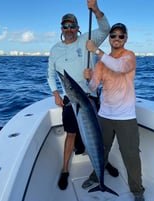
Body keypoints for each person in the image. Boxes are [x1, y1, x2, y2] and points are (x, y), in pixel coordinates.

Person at [47, 0, 118, 191]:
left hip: (91, 95)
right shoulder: (55, 50)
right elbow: (51, 73)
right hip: (72, 99)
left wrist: (95, 9)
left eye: (72, 26)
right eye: (65, 26)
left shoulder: (87, 38)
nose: (68, 29)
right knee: (71, 134)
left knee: (98, 134)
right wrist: (55, 93)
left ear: (77, 27)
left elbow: (105, 29)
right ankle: (64, 170)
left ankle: (104, 162)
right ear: (61, 28)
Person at [83, 23, 145, 201]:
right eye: (113, 35)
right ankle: (96, 176)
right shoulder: (102, 63)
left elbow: (119, 67)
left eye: (120, 36)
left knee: (131, 155)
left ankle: (137, 190)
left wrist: (96, 51)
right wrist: (88, 79)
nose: (116, 39)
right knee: (100, 150)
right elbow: (94, 87)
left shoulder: (129, 56)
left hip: (126, 116)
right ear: (109, 38)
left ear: (126, 38)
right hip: (105, 115)